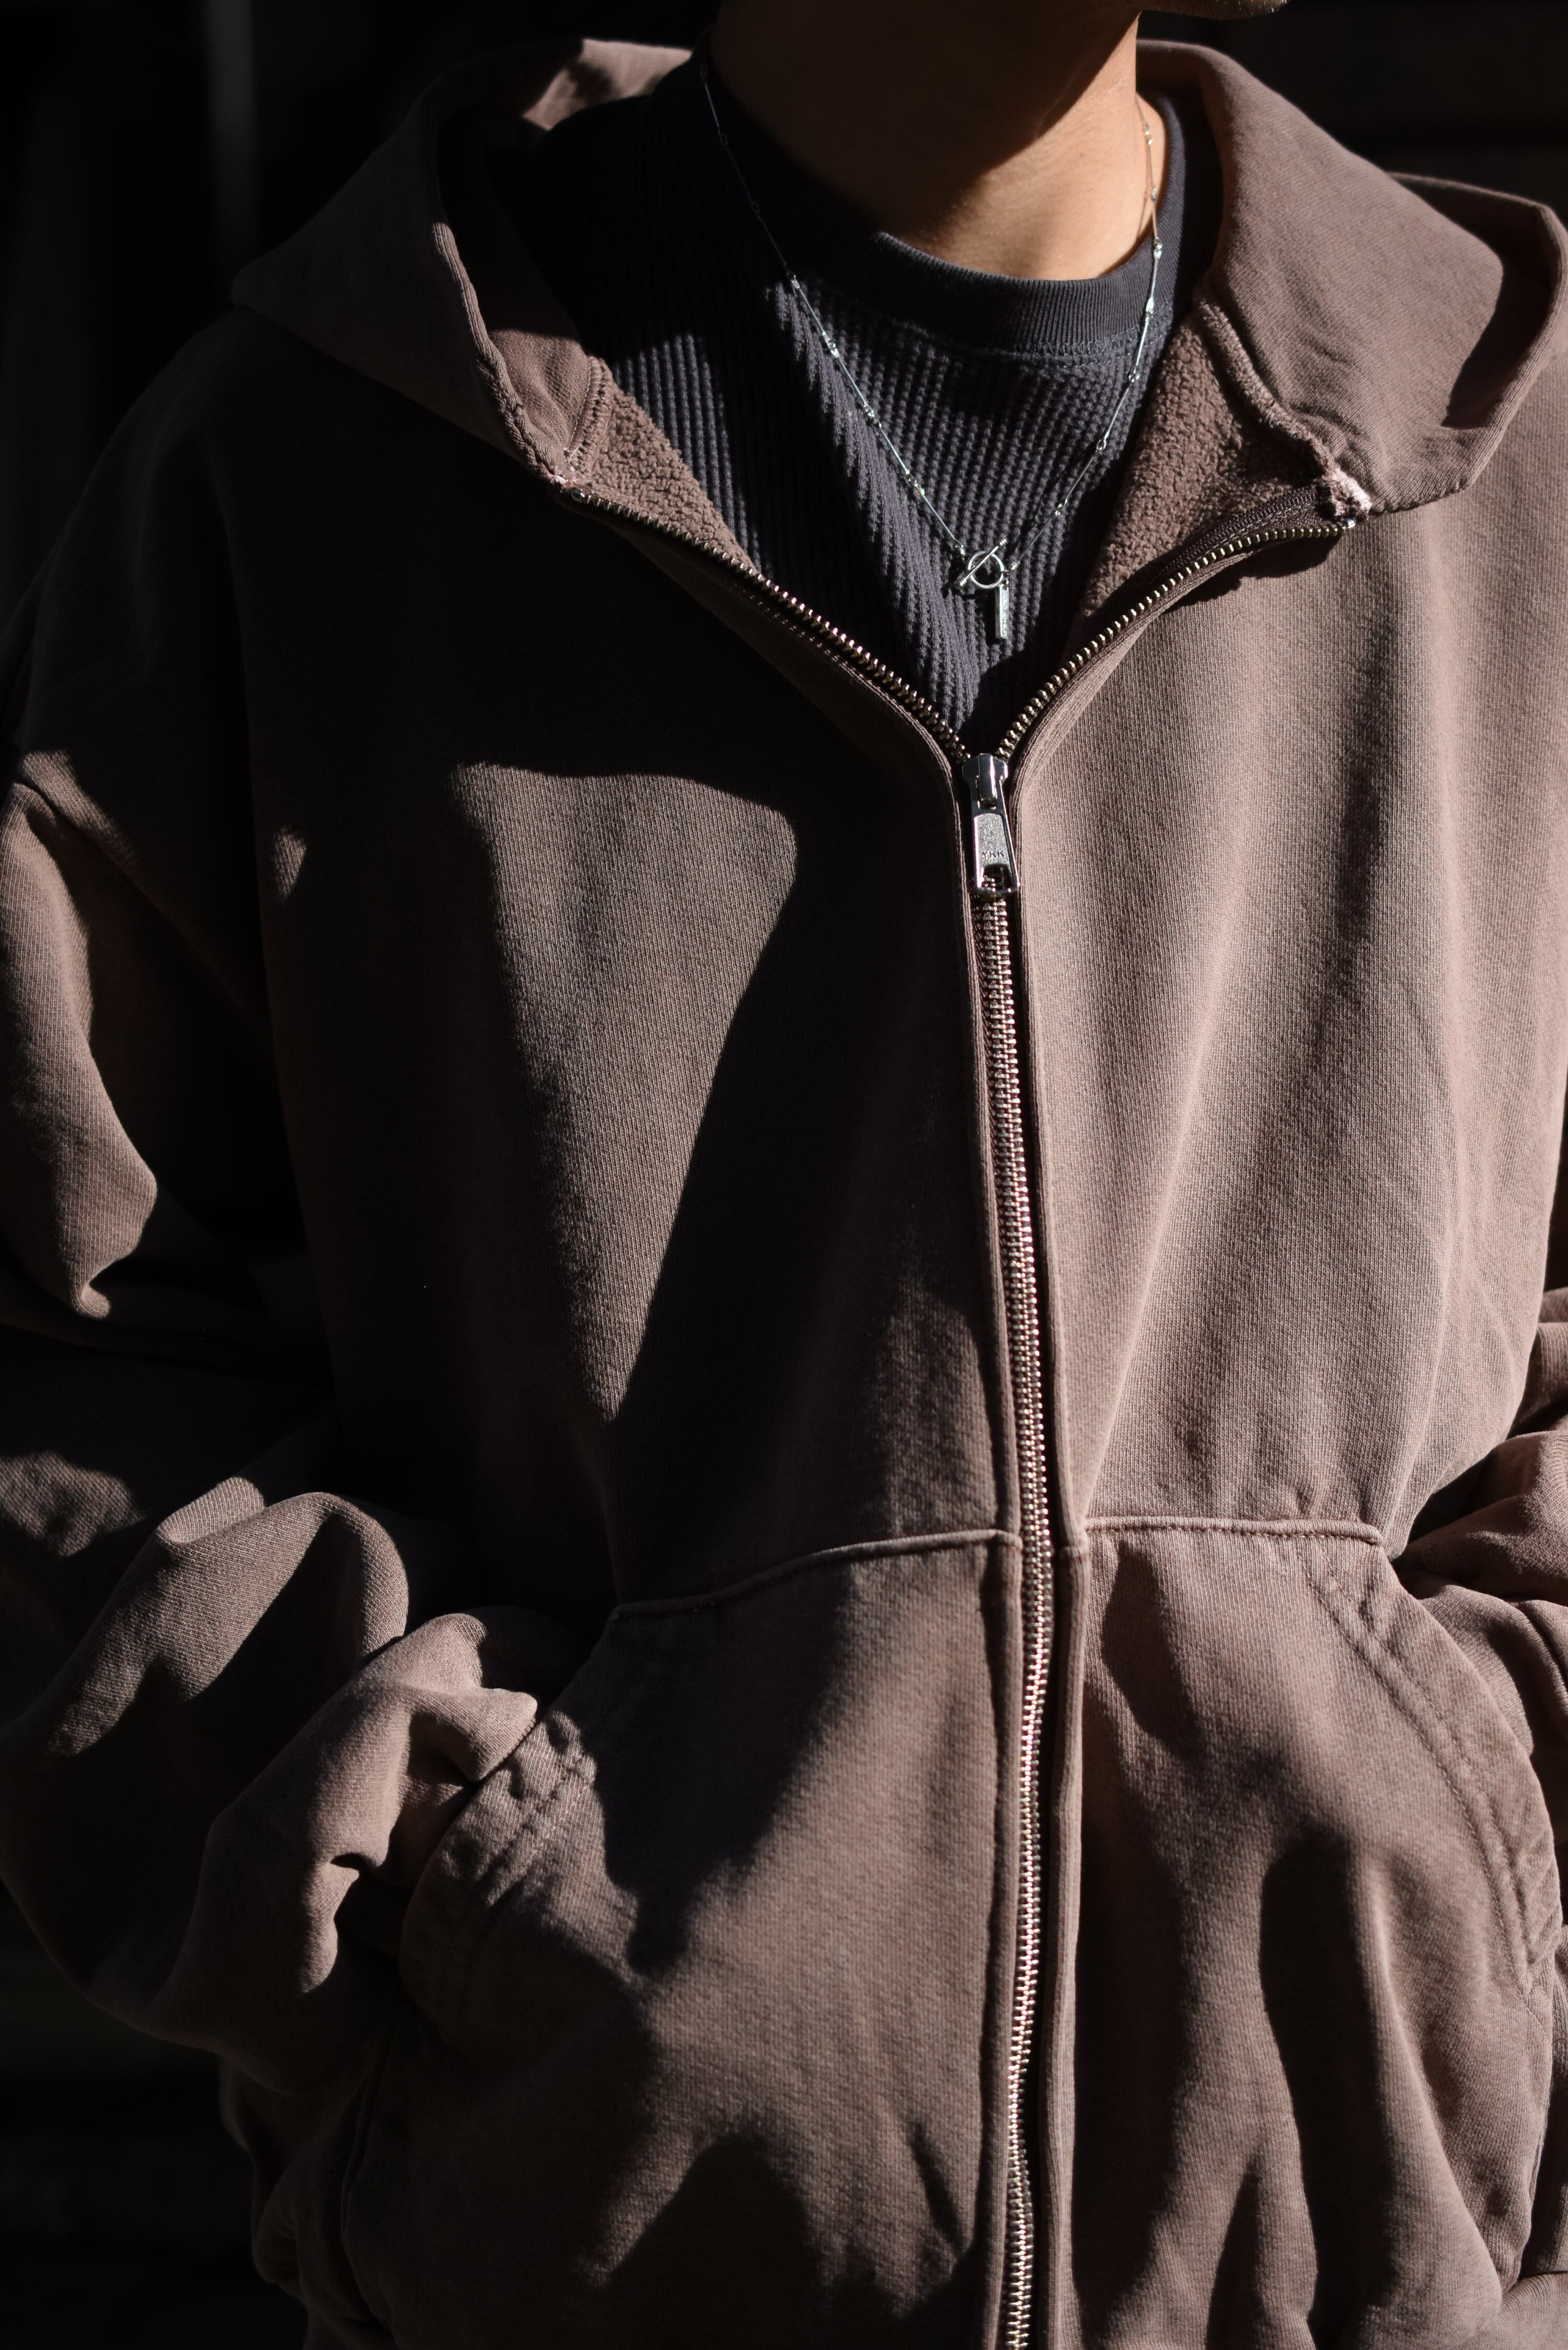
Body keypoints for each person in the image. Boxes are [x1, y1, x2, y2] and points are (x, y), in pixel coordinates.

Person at [2, 0, 1566, 2339]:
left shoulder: (1506, 472)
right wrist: (481, 1883)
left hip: (1397, 2277)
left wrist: (1491, 1813)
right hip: (602, 2263)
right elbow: (69, 1341)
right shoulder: (306, 480)